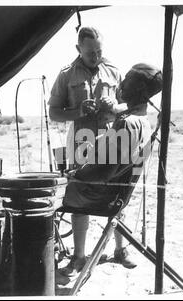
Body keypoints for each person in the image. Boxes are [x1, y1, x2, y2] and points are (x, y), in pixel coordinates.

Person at [60, 63, 163, 276]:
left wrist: (75, 174)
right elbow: (119, 155)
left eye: (127, 82)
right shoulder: (143, 121)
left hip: (102, 195)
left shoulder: (126, 123)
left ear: (139, 91)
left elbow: (103, 173)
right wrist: (100, 142)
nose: (122, 85)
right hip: (118, 193)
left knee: (57, 192)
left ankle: (77, 257)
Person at [49, 27, 130, 273]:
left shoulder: (114, 72)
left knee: (118, 191)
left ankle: (120, 250)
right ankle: (79, 257)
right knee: (78, 195)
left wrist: (115, 106)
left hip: (111, 140)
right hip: (81, 143)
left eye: (99, 51)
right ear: (78, 49)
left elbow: (130, 104)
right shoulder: (66, 75)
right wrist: (80, 111)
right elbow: (54, 112)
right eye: (90, 52)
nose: (95, 56)